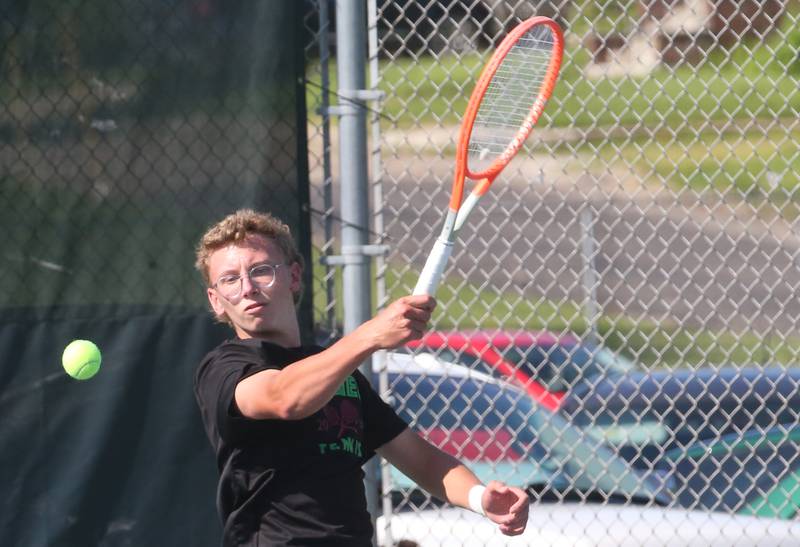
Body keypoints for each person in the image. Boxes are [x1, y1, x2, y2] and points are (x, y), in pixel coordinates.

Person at [193, 209, 529, 546]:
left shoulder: (340, 374)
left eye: (260, 270)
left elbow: (420, 459)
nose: (248, 288)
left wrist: (479, 498)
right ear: (216, 300)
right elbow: (285, 398)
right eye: (230, 280)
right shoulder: (225, 368)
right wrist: (370, 335)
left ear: (294, 277)